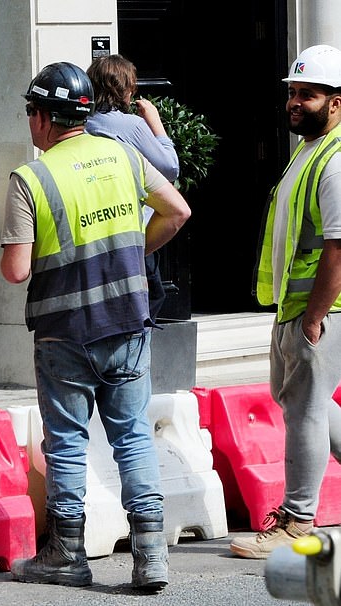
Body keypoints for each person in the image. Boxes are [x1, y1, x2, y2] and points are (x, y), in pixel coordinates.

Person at [0, 62, 191, 591]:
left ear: (42, 119)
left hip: (66, 332)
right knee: (132, 437)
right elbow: (176, 211)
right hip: (129, 322)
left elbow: (15, 270)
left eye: (29, 114)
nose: (28, 124)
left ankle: (67, 554)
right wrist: (131, 251)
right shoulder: (125, 155)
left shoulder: (32, 178)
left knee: (65, 442)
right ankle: (151, 556)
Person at [230, 44, 341, 559]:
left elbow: (339, 247)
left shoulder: (335, 161)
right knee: (302, 404)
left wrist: (315, 315)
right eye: (293, 93)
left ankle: (297, 521)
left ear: (336, 102)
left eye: (309, 95)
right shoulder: (308, 152)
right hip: (295, 310)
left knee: (306, 412)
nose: (295, 103)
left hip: (320, 312)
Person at [85, 54, 180, 320]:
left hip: (95, 227)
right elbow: (170, 167)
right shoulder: (132, 125)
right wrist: (156, 123)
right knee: (149, 298)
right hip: (133, 227)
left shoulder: (83, 125)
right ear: (123, 88)